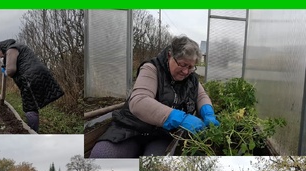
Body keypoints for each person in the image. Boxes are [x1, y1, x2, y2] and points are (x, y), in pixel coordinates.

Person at [89, 35, 220, 158]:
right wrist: (180, 118)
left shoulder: (191, 79)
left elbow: (201, 96)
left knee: (154, 160)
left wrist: (208, 113)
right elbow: (139, 101)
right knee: (102, 154)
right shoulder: (152, 69)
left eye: (191, 67)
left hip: (161, 134)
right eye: (182, 64)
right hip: (131, 130)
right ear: (170, 55)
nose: (186, 71)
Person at [0, 39, 64, 132]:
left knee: (29, 107)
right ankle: (34, 128)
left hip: (30, 78)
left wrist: (6, 72)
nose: (0, 57)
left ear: (1, 48)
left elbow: (11, 70)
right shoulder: (20, 46)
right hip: (40, 74)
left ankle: (32, 131)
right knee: (33, 104)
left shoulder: (11, 50)